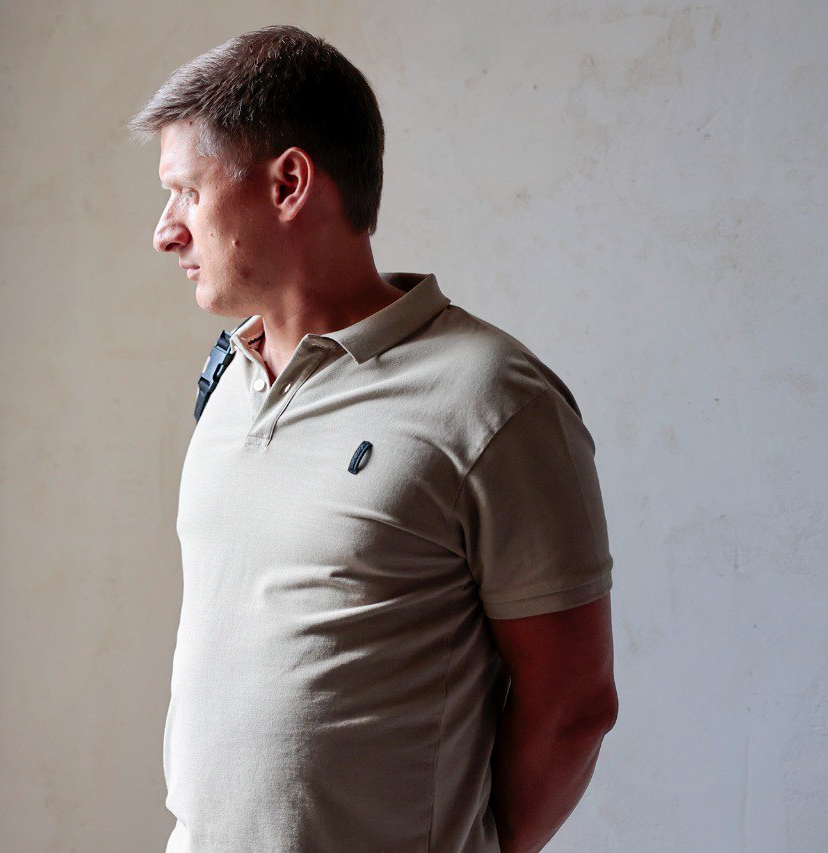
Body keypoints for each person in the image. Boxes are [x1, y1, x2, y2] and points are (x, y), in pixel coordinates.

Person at [126, 24, 618, 853]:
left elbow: (573, 705)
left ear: (289, 184)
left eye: (188, 192)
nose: (165, 230)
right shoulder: (227, 378)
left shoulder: (493, 399)